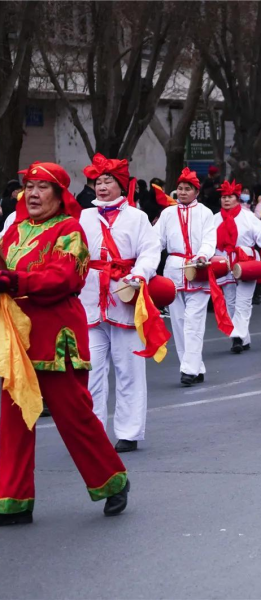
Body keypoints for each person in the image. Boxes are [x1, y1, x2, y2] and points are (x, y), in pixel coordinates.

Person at [0, 162, 129, 526]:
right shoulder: (14, 229)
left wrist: (15, 281)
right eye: (29, 187)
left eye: (42, 187)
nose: (33, 194)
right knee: (13, 420)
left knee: (74, 417)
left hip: (55, 336)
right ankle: (13, 500)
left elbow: (64, 277)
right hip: (16, 337)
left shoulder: (69, 229)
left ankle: (112, 481)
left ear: (59, 196)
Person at [79, 154, 161, 453]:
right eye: (98, 182)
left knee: (128, 369)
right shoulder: (84, 217)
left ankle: (129, 431)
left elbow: (150, 251)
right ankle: (93, 432)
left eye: (108, 181)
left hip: (125, 298)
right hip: (90, 299)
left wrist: (139, 274)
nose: (101, 187)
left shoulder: (137, 217)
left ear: (121, 185)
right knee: (90, 371)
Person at [154, 168, 217, 386]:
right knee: (179, 322)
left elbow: (209, 239)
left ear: (196, 192)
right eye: (180, 188)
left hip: (198, 269)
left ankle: (188, 370)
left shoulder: (205, 213)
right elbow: (156, 241)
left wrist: (203, 255)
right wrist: (147, 262)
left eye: (187, 189)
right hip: (173, 270)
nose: (182, 192)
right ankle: (194, 367)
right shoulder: (167, 214)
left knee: (193, 321)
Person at [213, 179, 261, 353]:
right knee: (231, 302)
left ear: (237, 198)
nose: (226, 200)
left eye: (230, 197)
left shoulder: (248, 216)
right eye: (223, 197)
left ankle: (236, 336)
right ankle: (243, 339)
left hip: (246, 261)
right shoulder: (214, 219)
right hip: (224, 263)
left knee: (243, 301)